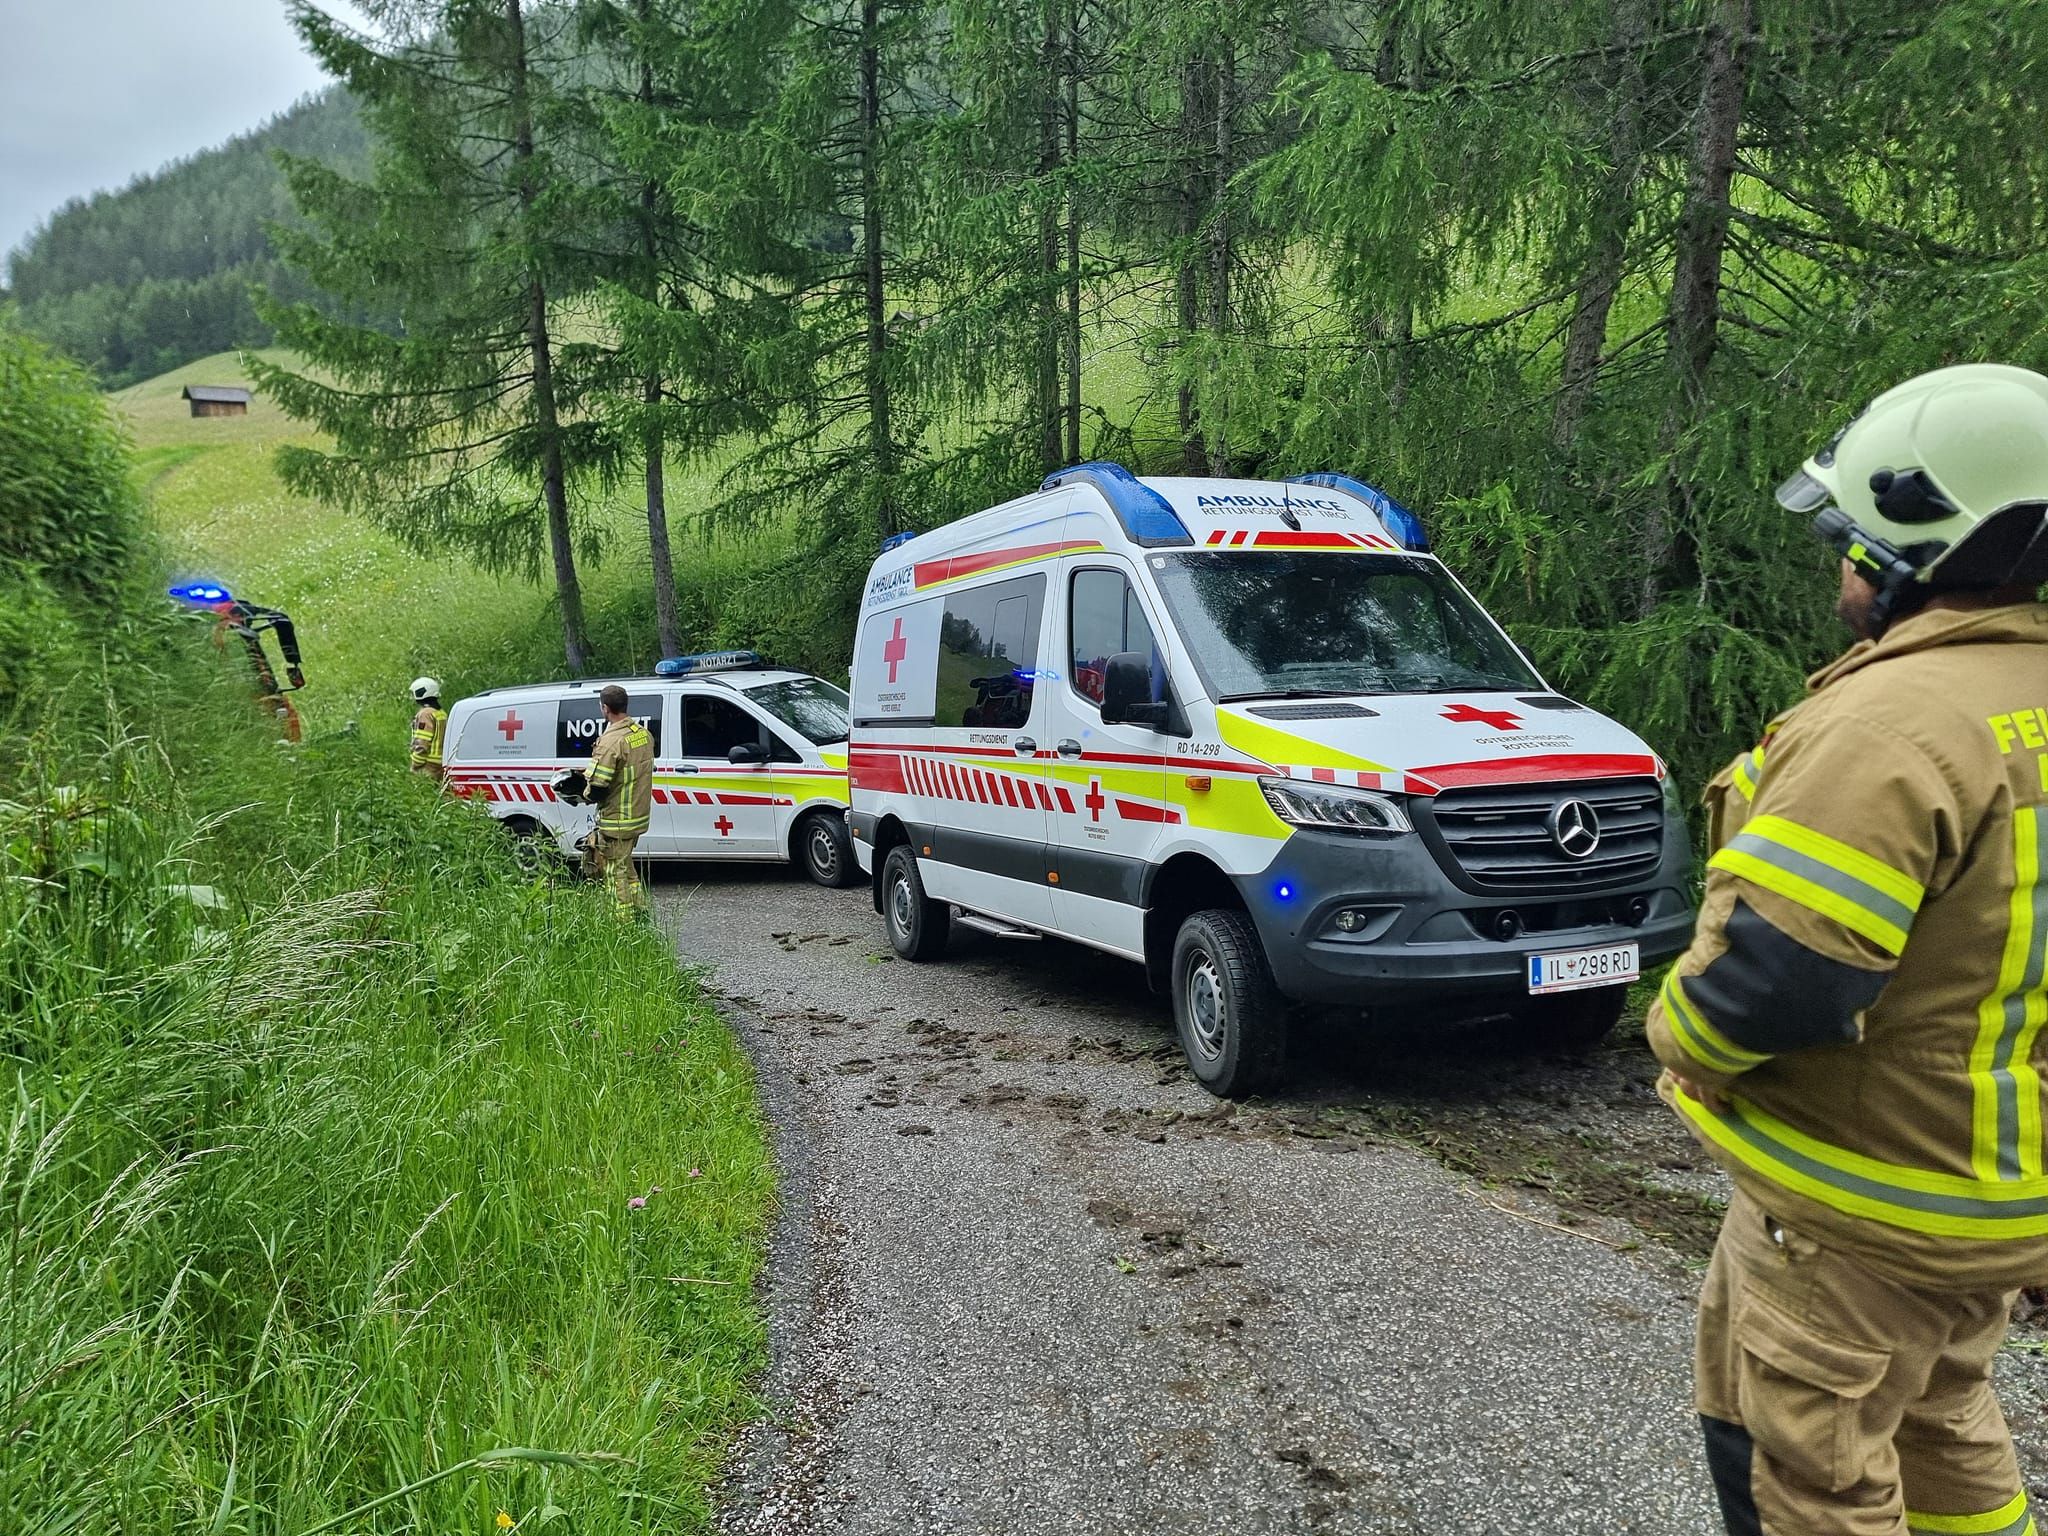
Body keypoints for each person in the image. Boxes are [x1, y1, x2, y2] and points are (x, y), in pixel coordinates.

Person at [1647, 362, 2048, 1536]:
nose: (1838, 564)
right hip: (1984, 1194)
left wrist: (1680, 1044)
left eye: (1851, 539)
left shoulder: (1887, 728)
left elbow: (1781, 977)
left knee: (1802, 1466)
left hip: (1852, 1206)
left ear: (1913, 549)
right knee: (1936, 1414)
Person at [584, 683, 654, 917]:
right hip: (638, 816)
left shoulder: (610, 741)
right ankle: (641, 911)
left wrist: (583, 794)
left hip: (617, 820)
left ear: (605, 708)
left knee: (614, 873)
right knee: (627, 868)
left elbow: (598, 785)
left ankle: (622, 924)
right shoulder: (642, 734)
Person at [408, 676, 448, 781]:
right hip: (441, 764)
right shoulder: (441, 713)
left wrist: (416, 764)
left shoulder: (425, 714)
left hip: (427, 766)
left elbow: (422, 742)